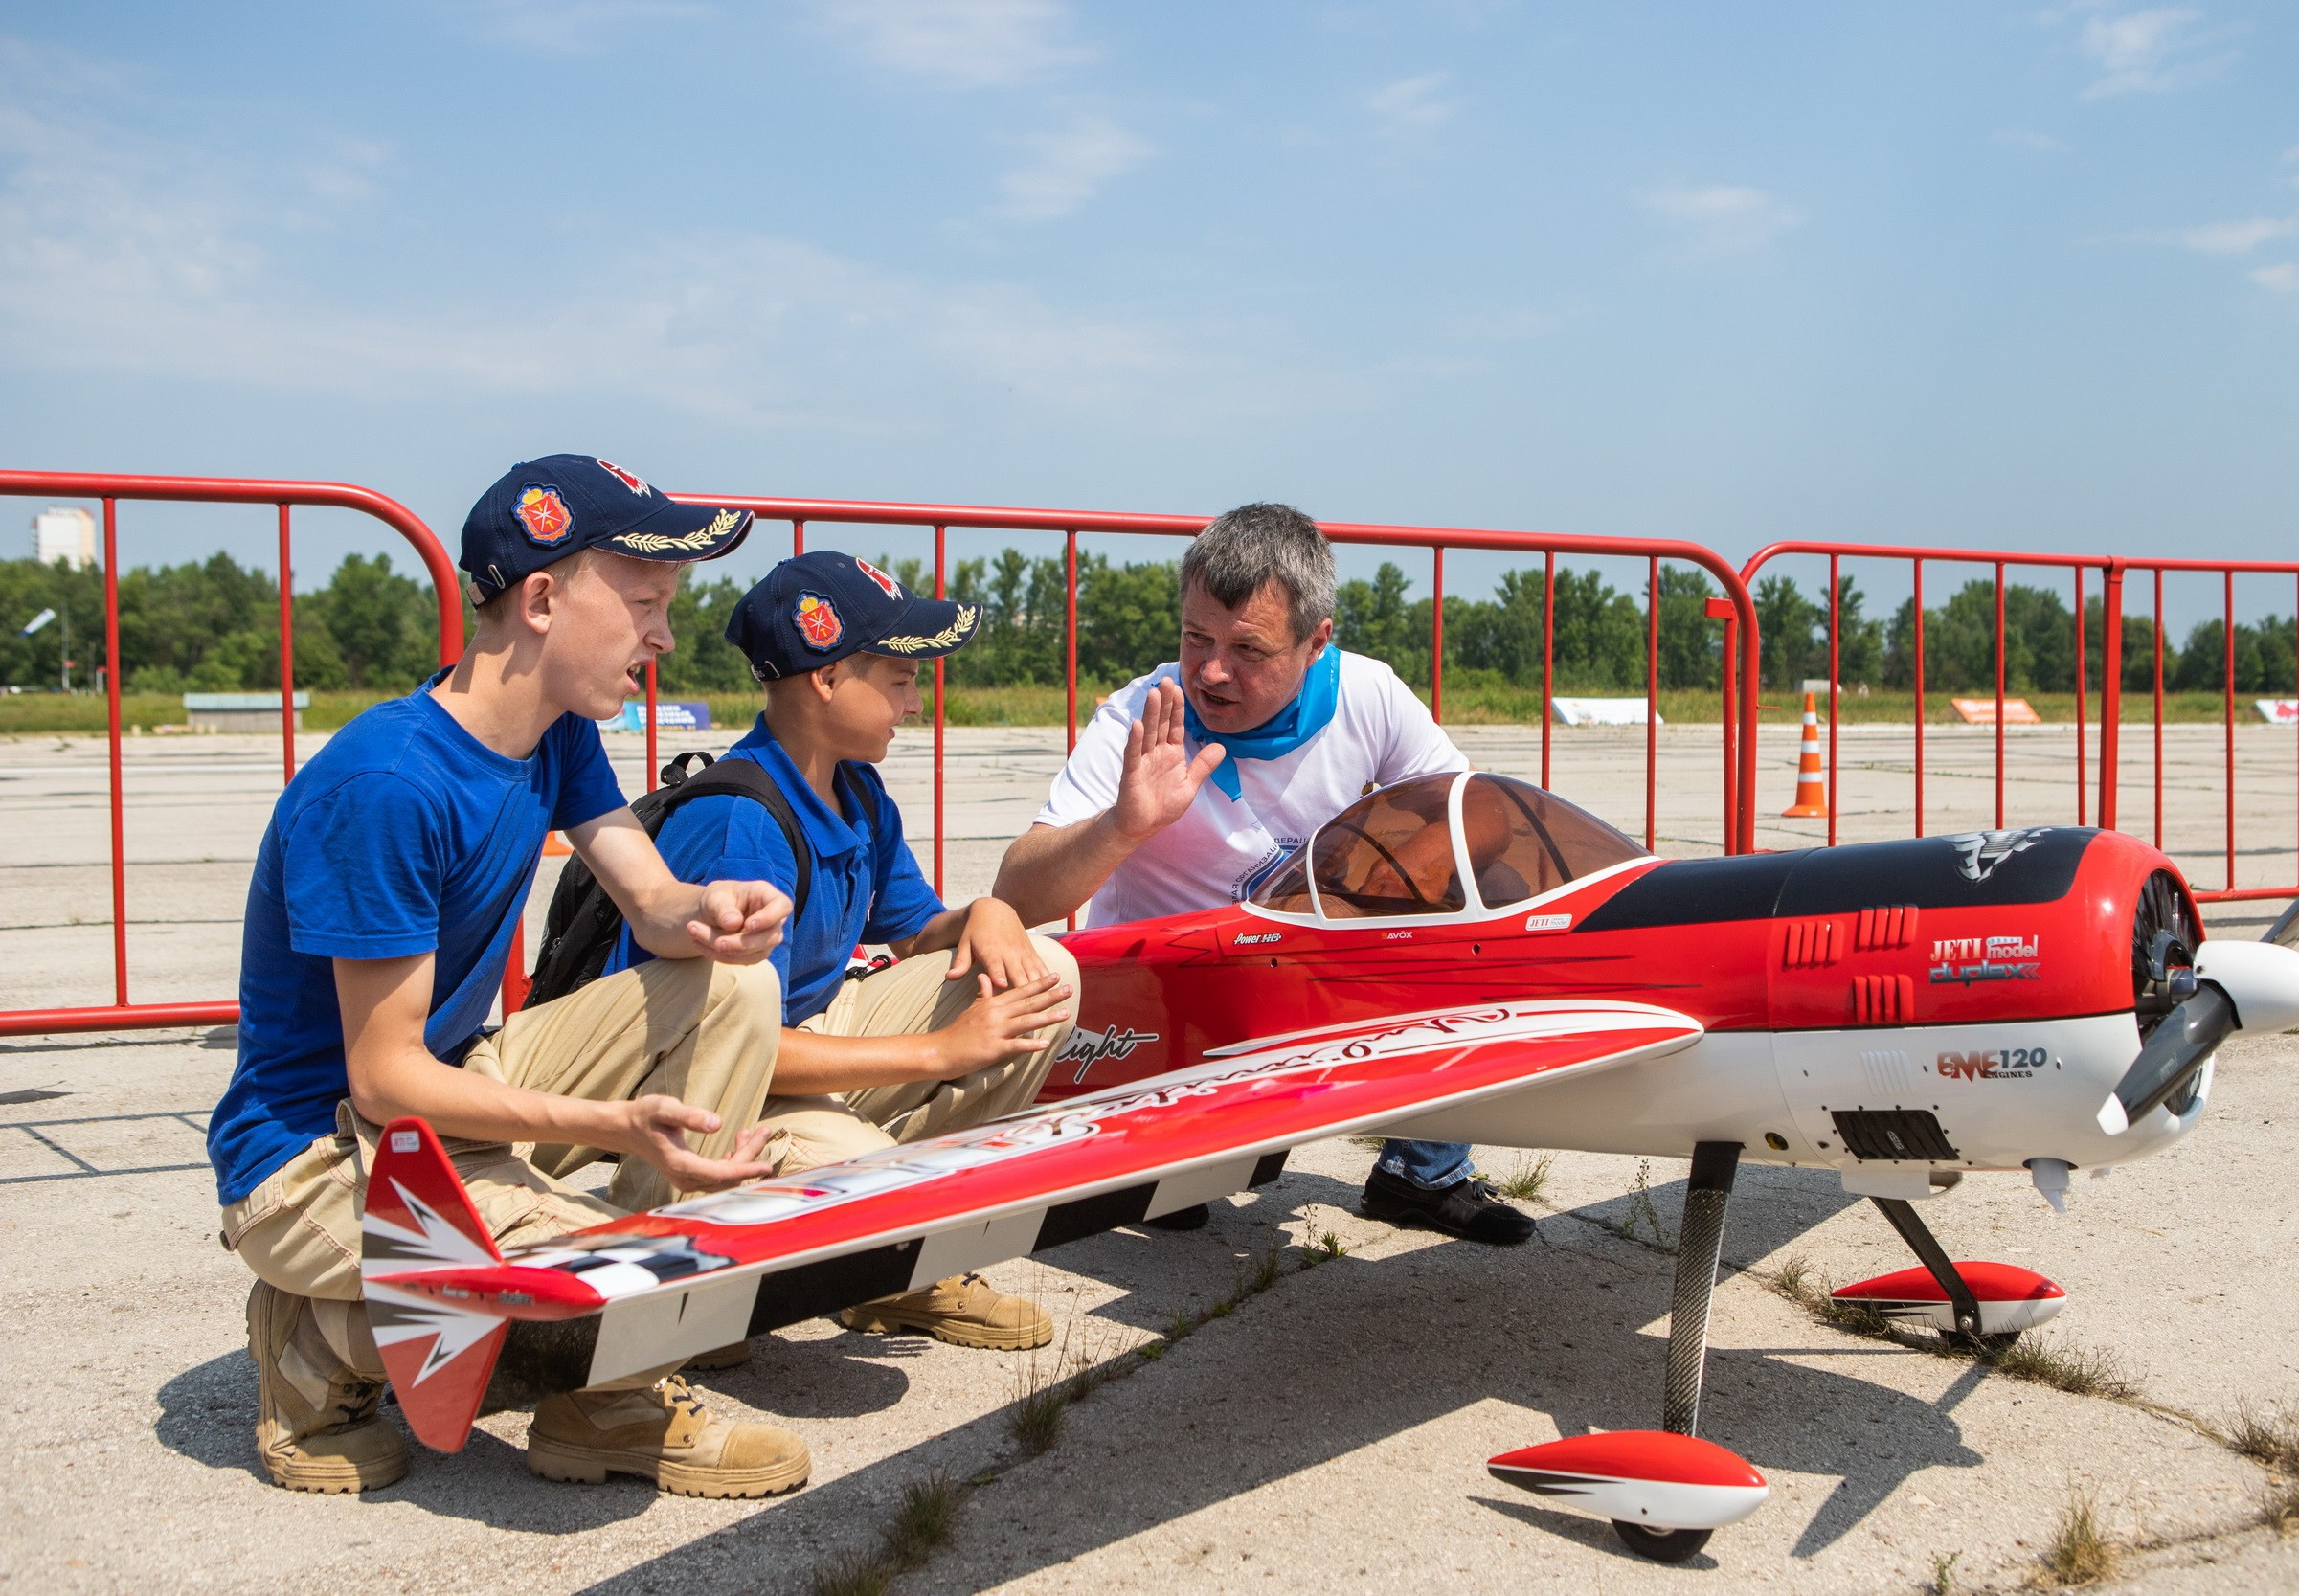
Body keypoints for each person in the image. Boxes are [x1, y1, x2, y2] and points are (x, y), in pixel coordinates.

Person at [207, 455, 811, 1499]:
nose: (664, 637)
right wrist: (614, 1126)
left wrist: (708, 909)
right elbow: (381, 1080)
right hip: (310, 1156)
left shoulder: (556, 732)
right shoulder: (390, 783)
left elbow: (652, 902)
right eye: (646, 604)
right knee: (597, 1274)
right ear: (540, 600)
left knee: (736, 984)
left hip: (435, 1099)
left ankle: (606, 1391)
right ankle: (315, 1341)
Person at [993, 503, 1536, 1246]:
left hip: (1305, 976)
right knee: (1172, 1197)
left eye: (1248, 649)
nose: (1212, 670)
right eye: (1196, 637)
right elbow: (1017, 893)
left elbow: (1483, 815)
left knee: (1485, 898)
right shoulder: (1141, 716)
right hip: (1173, 1000)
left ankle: (1423, 1171)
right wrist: (1121, 825)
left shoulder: (1366, 694)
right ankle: (1157, 1138)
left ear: (1317, 642)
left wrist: (1366, 888)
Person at [604, 551, 1079, 1359]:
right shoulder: (743, 824)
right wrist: (940, 1052)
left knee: (1044, 975)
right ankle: (695, 1256)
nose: (914, 702)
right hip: (709, 1091)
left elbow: (918, 932)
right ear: (825, 678)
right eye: (900, 678)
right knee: (877, 1176)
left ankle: (885, 1263)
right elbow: (730, 1037)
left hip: (797, 1046)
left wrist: (989, 912)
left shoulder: (855, 788)